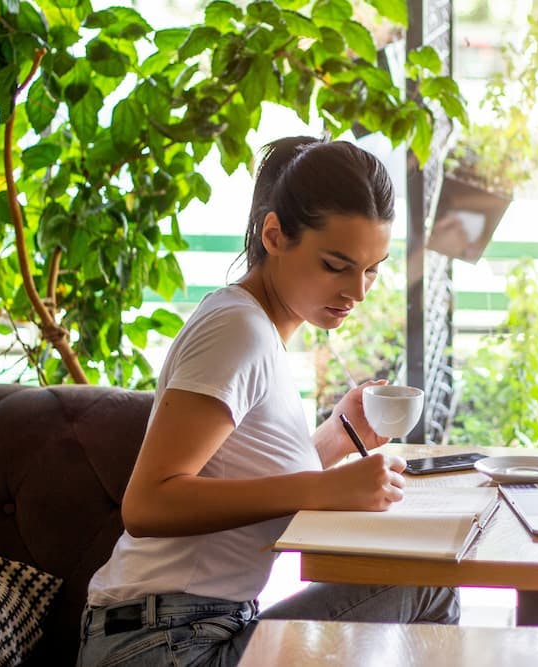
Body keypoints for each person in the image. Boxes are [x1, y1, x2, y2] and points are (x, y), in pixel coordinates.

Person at [77, 136, 459, 667]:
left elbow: (236, 476)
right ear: (274, 235)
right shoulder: (239, 331)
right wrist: (326, 488)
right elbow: (148, 504)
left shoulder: (253, 327)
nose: (359, 290)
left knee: (426, 584)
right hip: (167, 643)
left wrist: (337, 438)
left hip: (181, 630)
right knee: (430, 587)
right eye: (336, 265)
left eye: (372, 268)